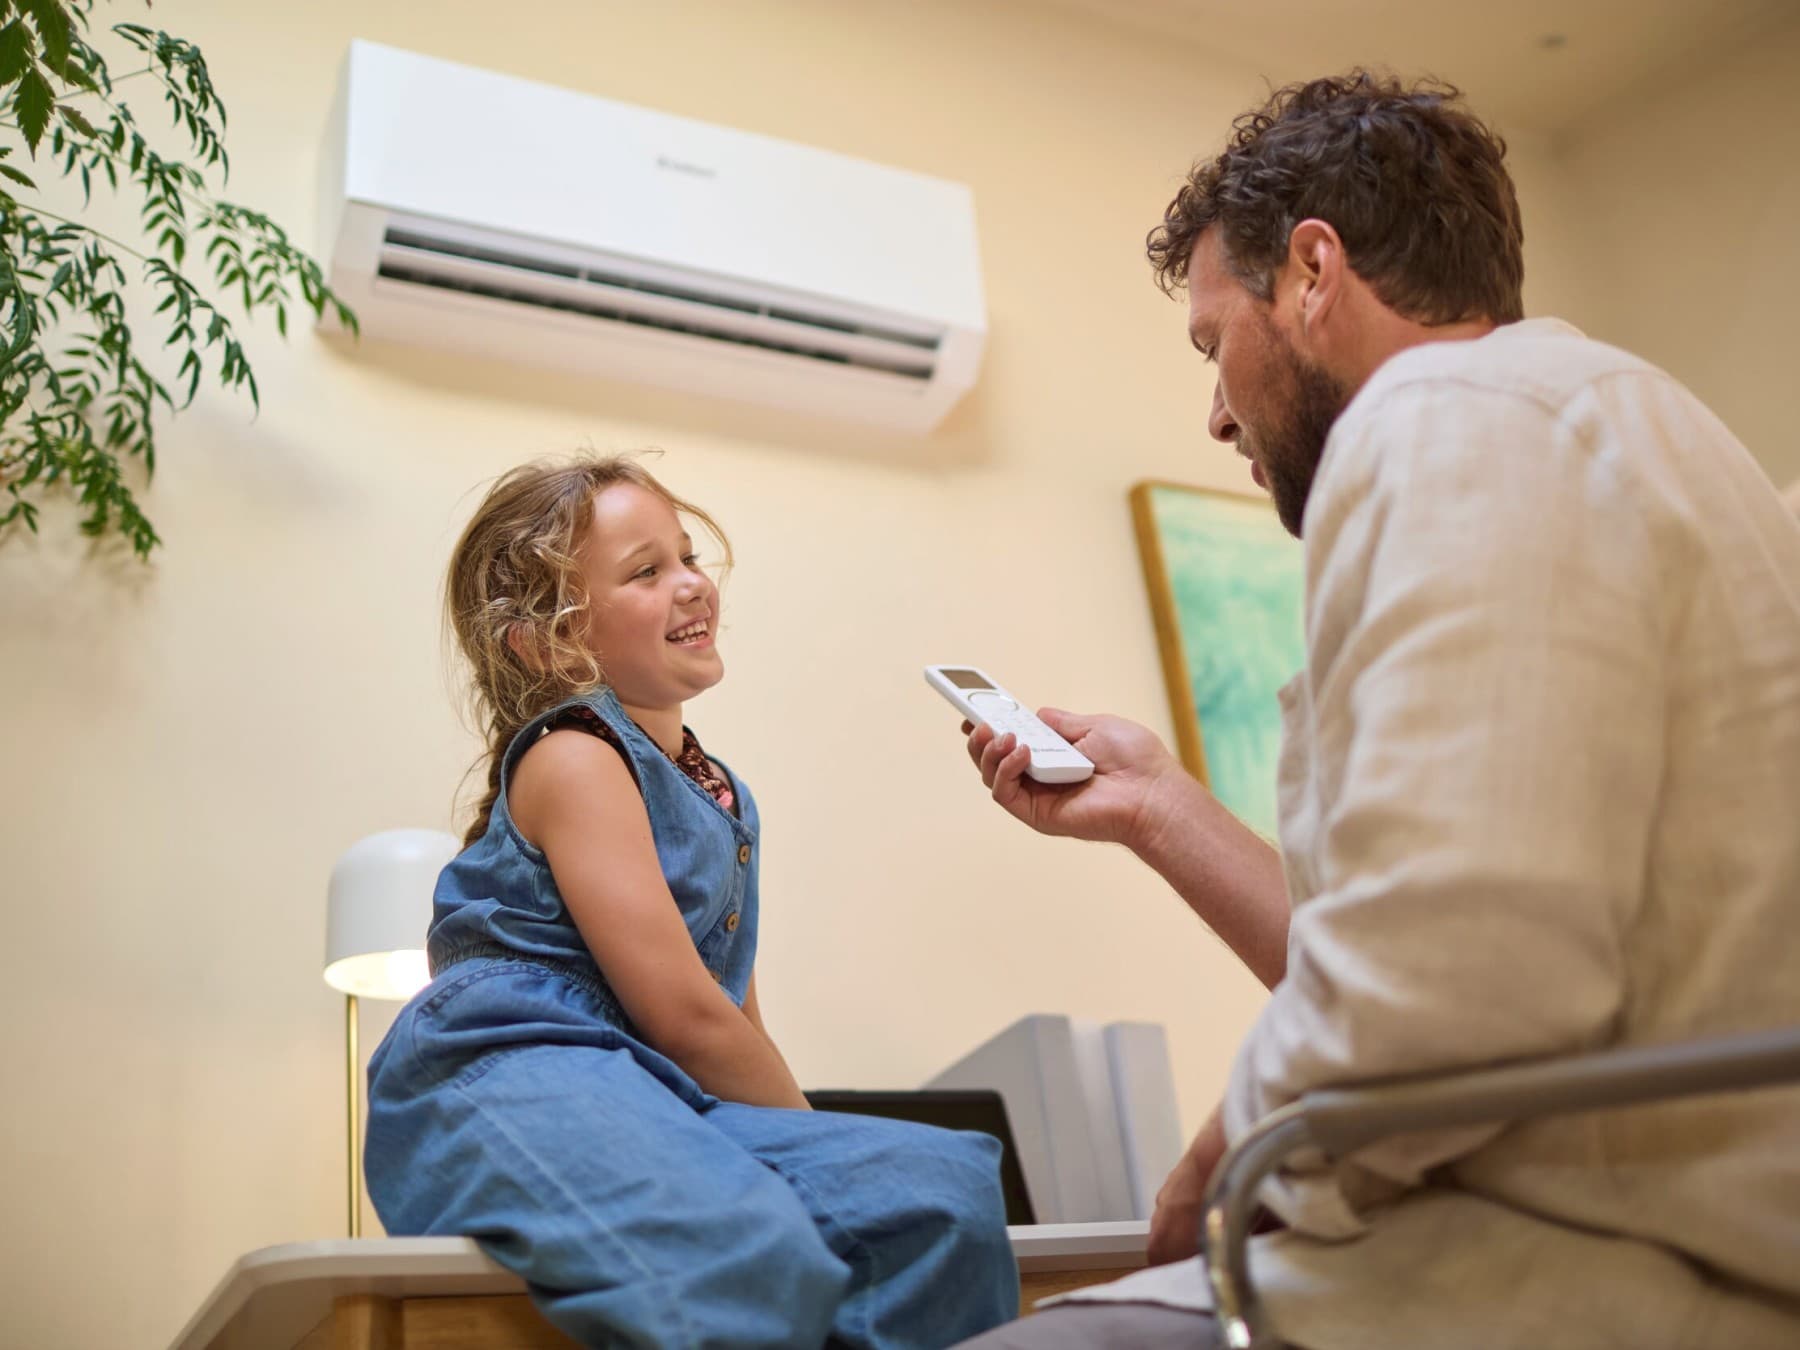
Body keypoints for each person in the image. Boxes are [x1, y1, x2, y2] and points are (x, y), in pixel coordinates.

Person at [955, 71, 1800, 1349]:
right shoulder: (1611, 425)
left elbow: (1458, 980)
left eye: (1214, 344)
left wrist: (1231, 1151)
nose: (1218, 411)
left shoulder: (1447, 419)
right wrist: (1159, 807)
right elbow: (1448, 945)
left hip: (1595, 1266)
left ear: (1313, 271)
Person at [363, 454, 1018, 1349]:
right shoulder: (574, 757)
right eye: (645, 571)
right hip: (511, 1066)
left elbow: (730, 1015)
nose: (691, 584)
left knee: (937, 1191)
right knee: (742, 1244)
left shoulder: (724, 796)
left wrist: (824, 1157)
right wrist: (809, 1151)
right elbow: (687, 1018)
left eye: (687, 556)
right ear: (548, 644)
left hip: (652, 1086)